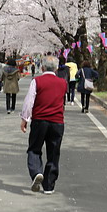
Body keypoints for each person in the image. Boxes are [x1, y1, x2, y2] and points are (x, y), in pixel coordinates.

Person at [20, 55, 68, 195]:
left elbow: (29, 101)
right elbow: (62, 101)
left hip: (40, 120)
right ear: (56, 68)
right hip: (57, 121)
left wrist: (25, 119)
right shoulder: (63, 83)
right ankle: (49, 185)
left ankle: (36, 173)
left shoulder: (37, 81)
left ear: (41, 67)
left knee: (34, 149)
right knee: (54, 153)